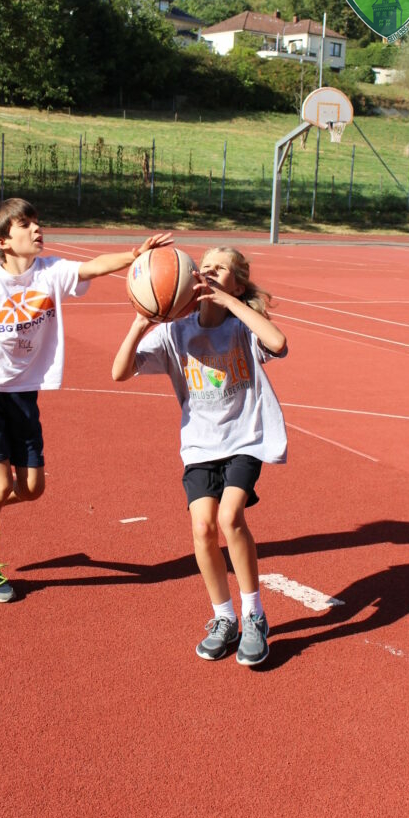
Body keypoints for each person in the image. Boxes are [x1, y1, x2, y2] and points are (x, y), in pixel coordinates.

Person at [0, 197, 172, 603]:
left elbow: (93, 266)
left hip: (23, 395)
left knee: (31, 488)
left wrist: (134, 256)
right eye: (25, 224)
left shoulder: (50, 271)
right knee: (0, 483)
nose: (36, 228)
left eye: (36, 221)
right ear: (2, 241)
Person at [112, 246, 287, 666]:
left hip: (245, 438)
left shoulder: (242, 328)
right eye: (203, 266)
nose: (208, 272)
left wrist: (230, 303)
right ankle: (224, 617)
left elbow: (278, 343)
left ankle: (254, 614)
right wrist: (141, 321)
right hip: (200, 445)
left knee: (230, 517)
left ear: (237, 285)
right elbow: (119, 372)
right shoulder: (176, 332)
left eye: (220, 269)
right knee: (203, 528)